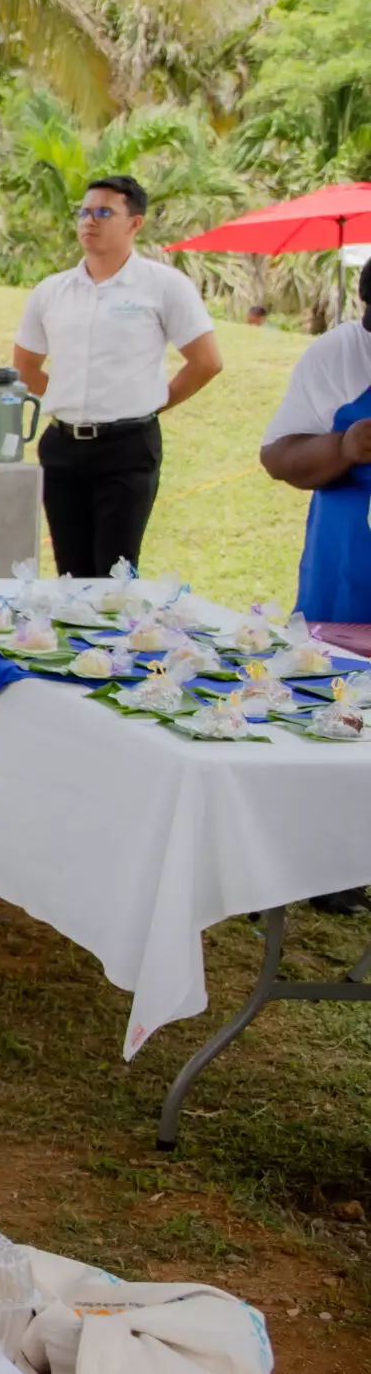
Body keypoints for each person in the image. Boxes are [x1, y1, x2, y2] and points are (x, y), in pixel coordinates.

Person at [11, 175, 222, 579]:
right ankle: (72, 643)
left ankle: (112, 643)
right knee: (70, 573)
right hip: (62, 447)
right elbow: (25, 366)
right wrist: (69, 397)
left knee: (115, 573)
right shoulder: (53, 290)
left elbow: (206, 361)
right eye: (85, 212)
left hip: (127, 448)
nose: (90, 221)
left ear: (135, 223)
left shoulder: (163, 286)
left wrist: (154, 401)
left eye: (104, 212)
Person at [258, 264, 371, 914]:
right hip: (350, 562)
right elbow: (279, 456)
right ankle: (329, 863)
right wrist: (345, 444)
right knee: (340, 701)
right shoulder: (338, 355)